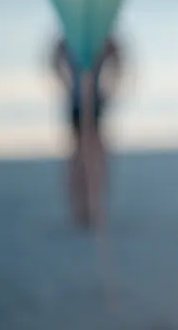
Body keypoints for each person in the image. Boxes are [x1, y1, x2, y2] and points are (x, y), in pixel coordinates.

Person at [51, 36, 122, 228]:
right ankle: (81, 206)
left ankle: (91, 205)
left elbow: (118, 61)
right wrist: (67, 86)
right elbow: (54, 61)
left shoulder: (99, 38)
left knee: (92, 155)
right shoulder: (74, 38)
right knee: (81, 156)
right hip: (80, 102)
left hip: (91, 101)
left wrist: (108, 89)